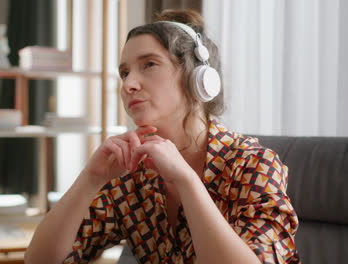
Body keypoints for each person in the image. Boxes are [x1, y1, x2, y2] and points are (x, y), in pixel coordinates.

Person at [25, 9, 300, 264]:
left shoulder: (253, 164)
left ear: (198, 77)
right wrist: (90, 179)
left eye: (149, 64)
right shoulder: (131, 175)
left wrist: (186, 181)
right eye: (124, 72)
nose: (128, 84)